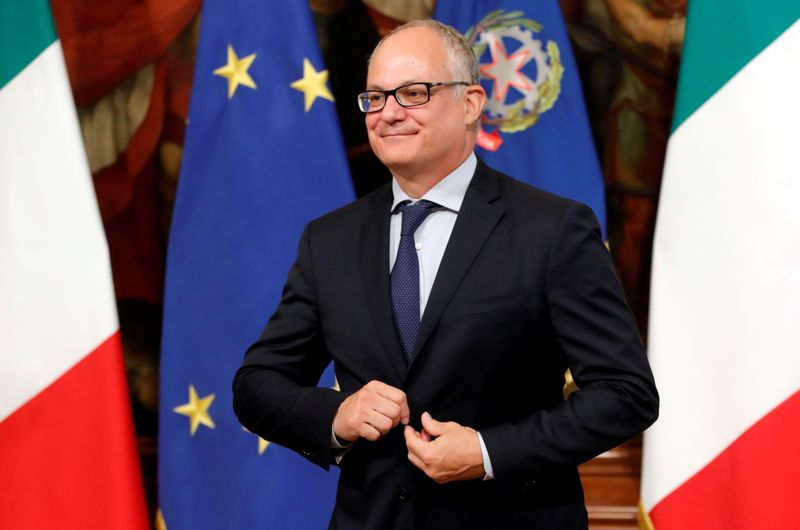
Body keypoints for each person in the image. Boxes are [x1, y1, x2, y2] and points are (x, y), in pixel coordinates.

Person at [233, 19, 658, 530]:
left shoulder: (553, 229)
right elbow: (257, 384)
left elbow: (625, 393)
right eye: (375, 97)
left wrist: (486, 451)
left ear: (471, 103)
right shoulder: (329, 240)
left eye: (413, 93)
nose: (389, 113)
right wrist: (336, 418)